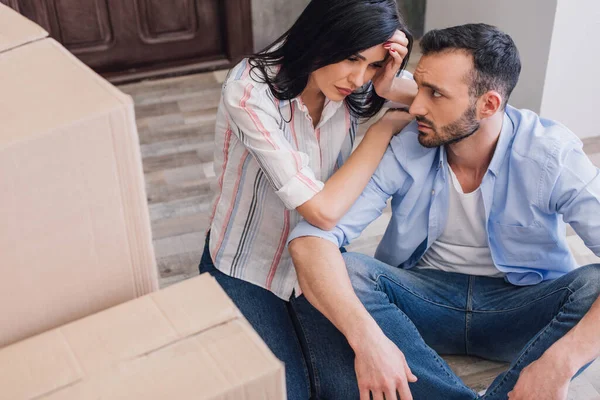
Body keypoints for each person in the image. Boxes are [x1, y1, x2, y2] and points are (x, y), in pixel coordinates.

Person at [288, 23, 600, 400]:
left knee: (592, 285)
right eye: (419, 87)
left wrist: (560, 361)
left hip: (521, 308)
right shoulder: (408, 146)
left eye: (436, 94)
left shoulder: (550, 154)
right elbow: (310, 240)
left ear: (488, 105)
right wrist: (369, 341)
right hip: (424, 302)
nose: (415, 106)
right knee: (341, 273)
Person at [199, 0, 418, 398]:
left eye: (371, 65)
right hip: (248, 266)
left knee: (353, 388)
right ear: (322, 34)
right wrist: (379, 132)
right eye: (352, 57)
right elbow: (321, 211)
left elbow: (441, 101)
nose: (357, 78)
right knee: (286, 392)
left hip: (319, 265)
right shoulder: (249, 90)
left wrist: (389, 84)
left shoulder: (354, 84)